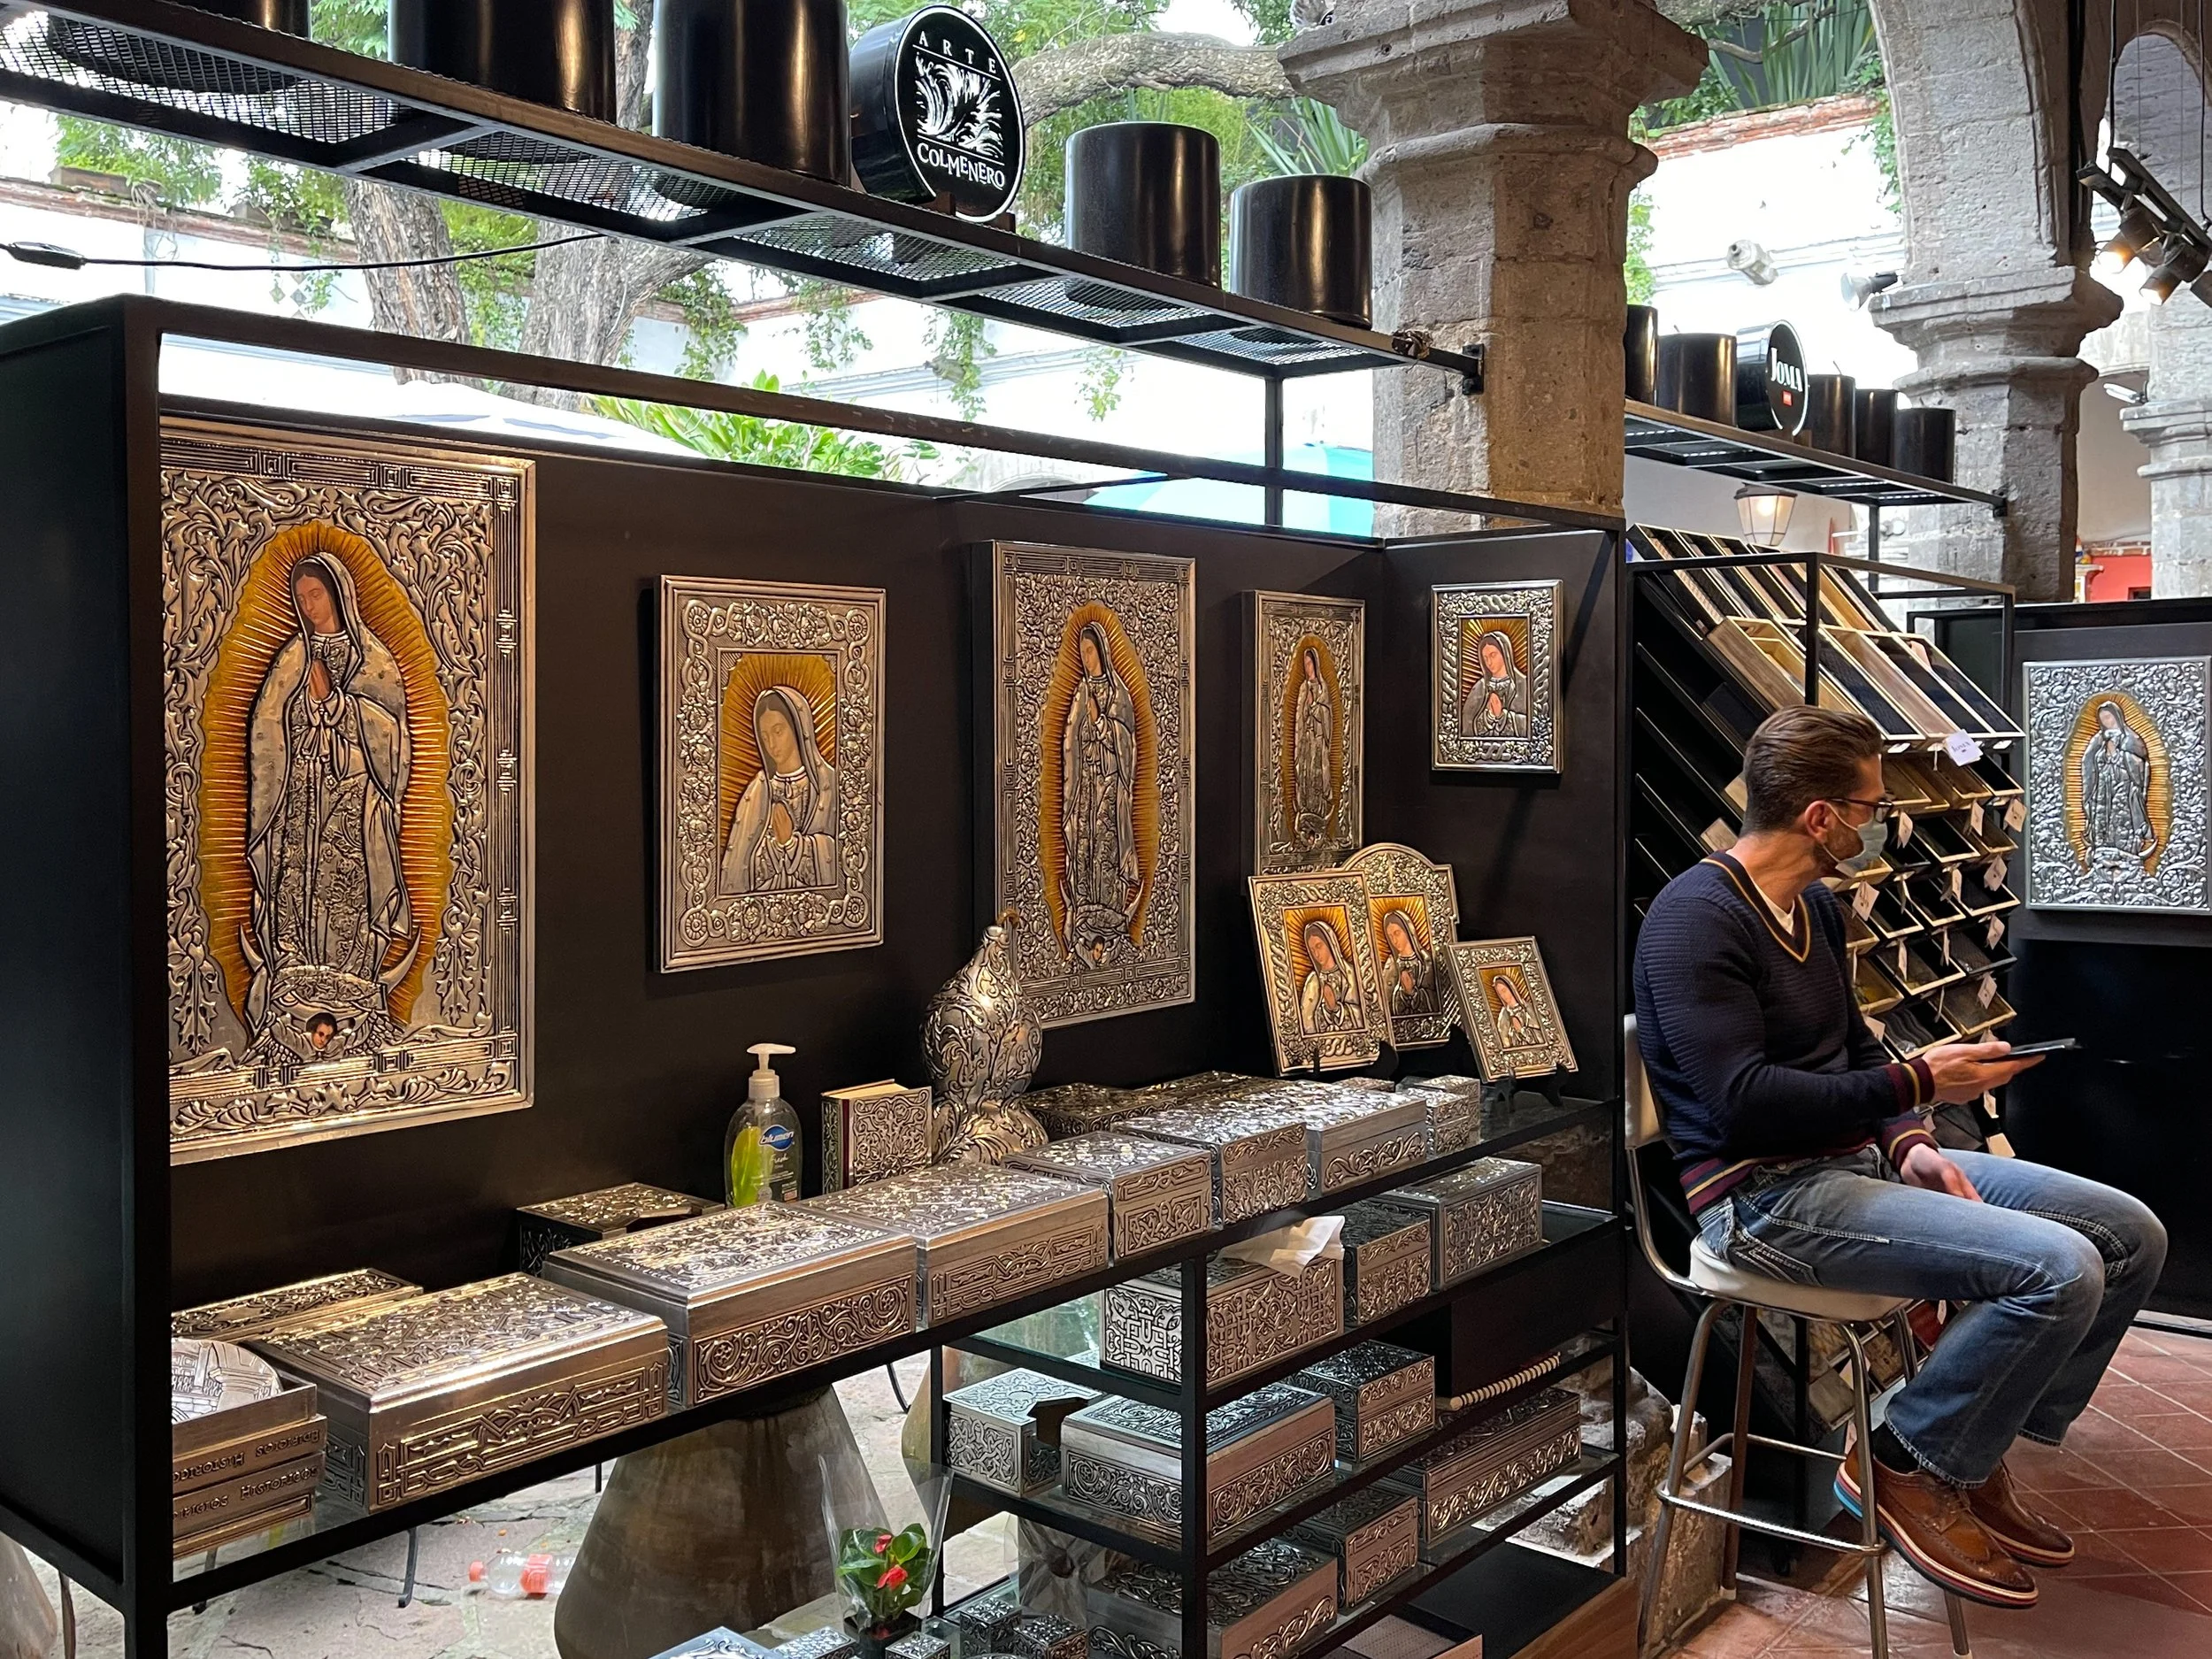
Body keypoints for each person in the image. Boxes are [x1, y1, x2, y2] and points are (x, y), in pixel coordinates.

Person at [1633, 704, 2166, 1610]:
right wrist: (1918, 1087)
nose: (1876, 824)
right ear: (1818, 817)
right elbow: (1741, 1102)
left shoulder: (1812, 907)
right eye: (1868, 807)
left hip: (1855, 1170)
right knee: (2061, 1269)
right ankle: (1904, 1460)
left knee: (2127, 1234)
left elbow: (1852, 1054)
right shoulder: (1694, 919)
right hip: (1760, 1202)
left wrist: (1911, 1143)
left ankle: (1970, 1446)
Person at [243, 553, 413, 1046]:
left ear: (338, 595)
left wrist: (339, 705)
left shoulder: (372, 659)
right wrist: (303, 712)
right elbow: (267, 723)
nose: (309, 605)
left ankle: (350, 980)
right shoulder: (295, 655)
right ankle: (294, 973)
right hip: (301, 793)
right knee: (297, 879)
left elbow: (394, 739)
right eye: (301, 598)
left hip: (352, 799)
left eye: (316, 594)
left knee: (346, 886)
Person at [1060, 619, 1141, 962]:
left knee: (1106, 846)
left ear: (1102, 653)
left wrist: (1101, 723)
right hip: (1086, 786)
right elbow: (1070, 743)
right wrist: (1086, 726)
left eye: (1090, 650)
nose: (1085, 656)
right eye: (1082, 650)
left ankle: (1108, 911)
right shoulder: (1081, 691)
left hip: (1108, 783)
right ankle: (1084, 911)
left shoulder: (1117, 691)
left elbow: (1128, 742)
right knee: (1084, 843)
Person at [722, 684, 841, 893]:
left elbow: (849, 858)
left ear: (798, 727)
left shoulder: (829, 784)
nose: (772, 744)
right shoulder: (759, 789)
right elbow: (740, 866)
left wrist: (794, 844)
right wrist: (775, 847)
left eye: (778, 731)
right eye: (765, 736)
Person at [2081, 698, 2154, 866]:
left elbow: (2141, 763)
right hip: (2103, 789)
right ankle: (2101, 853)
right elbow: (2089, 763)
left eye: (2109, 717)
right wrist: (2104, 755)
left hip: (2124, 788)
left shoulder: (2131, 739)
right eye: (2103, 719)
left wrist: (2120, 754)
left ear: (2117, 717)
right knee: (2102, 819)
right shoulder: (2099, 741)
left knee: (2121, 819)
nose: (2107, 722)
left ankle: (2127, 854)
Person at [1298, 918, 1361, 1033]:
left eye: (1319, 946)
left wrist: (1337, 1009)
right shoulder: (1313, 981)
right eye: (1312, 950)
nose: (1316, 954)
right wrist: (1326, 1010)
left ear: (1330, 944)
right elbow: (1306, 1020)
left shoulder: (1351, 974)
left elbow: (1365, 1013)